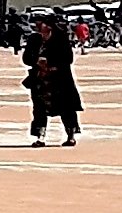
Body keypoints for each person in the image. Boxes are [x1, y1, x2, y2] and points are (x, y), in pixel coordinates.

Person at [23, 8, 86, 146]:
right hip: (40, 80)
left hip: (60, 80)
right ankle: (40, 137)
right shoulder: (34, 39)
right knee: (39, 109)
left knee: (66, 108)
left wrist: (51, 64)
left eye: (41, 23)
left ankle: (71, 135)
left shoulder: (60, 38)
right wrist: (37, 61)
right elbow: (26, 58)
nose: (38, 26)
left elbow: (68, 58)